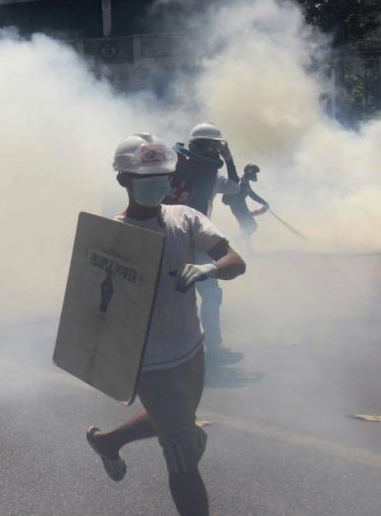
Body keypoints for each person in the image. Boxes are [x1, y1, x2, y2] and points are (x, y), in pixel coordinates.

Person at [87, 133, 246, 516]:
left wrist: (210, 268)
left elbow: (235, 262)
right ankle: (182, 445)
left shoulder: (185, 217)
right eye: (147, 178)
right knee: (183, 462)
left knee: (179, 422)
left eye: (164, 177)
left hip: (191, 348)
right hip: (150, 361)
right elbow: (94, 305)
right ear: (124, 180)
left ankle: (108, 442)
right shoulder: (112, 236)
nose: (160, 185)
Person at [164, 122, 242, 367]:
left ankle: (170, 346)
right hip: (195, 240)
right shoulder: (209, 175)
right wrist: (229, 160)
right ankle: (213, 349)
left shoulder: (172, 167)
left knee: (171, 293)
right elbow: (235, 186)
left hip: (169, 236)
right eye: (215, 147)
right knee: (209, 294)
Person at [222, 164, 269, 253]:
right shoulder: (243, 183)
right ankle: (238, 240)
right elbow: (251, 195)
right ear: (250, 173)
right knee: (251, 226)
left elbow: (252, 194)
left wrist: (264, 202)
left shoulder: (245, 182)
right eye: (254, 173)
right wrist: (264, 203)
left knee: (246, 227)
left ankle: (248, 249)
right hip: (238, 209)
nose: (256, 176)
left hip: (240, 208)